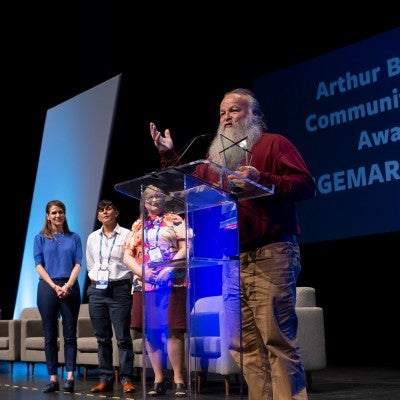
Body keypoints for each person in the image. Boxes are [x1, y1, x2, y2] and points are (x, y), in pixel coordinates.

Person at [149, 88, 316, 400]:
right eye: (222, 113)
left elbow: (306, 185)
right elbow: (180, 184)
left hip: (271, 252)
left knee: (276, 340)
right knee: (242, 343)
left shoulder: (273, 144)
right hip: (231, 260)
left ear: (252, 115)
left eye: (234, 111)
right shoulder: (214, 161)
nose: (226, 118)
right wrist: (169, 155)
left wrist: (261, 178)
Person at [123, 185, 190, 397]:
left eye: (158, 196)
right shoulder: (136, 225)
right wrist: (143, 274)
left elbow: (186, 247)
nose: (154, 199)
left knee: (173, 329)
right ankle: (159, 379)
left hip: (173, 281)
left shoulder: (176, 220)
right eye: (150, 197)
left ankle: (178, 380)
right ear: (143, 201)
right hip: (145, 284)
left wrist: (170, 269)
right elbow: (127, 256)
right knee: (150, 331)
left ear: (164, 199)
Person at [85, 199, 136, 393]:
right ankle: (105, 378)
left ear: (116, 213)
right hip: (97, 290)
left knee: (123, 338)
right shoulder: (92, 238)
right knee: (102, 338)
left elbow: (131, 261)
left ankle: (126, 379)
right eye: (101, 210)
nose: (105, 212)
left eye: (109, 209)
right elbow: (90, 264)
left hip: (119, 289)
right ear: (98, 216)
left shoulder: (127, 234)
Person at [34, 200, 82, 393]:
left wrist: (67, 285)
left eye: (60, 212)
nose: (57, 216)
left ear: (65, 214)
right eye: (53, 213)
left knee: (70, 335)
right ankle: (53, 379)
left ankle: (70, 378)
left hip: (70, 287)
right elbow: (38, 265)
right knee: (50, 335)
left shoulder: (74, 237)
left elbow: (78, 263)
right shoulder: (40, 238)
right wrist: (54, 286)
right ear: (47, 216)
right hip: (48, 287)